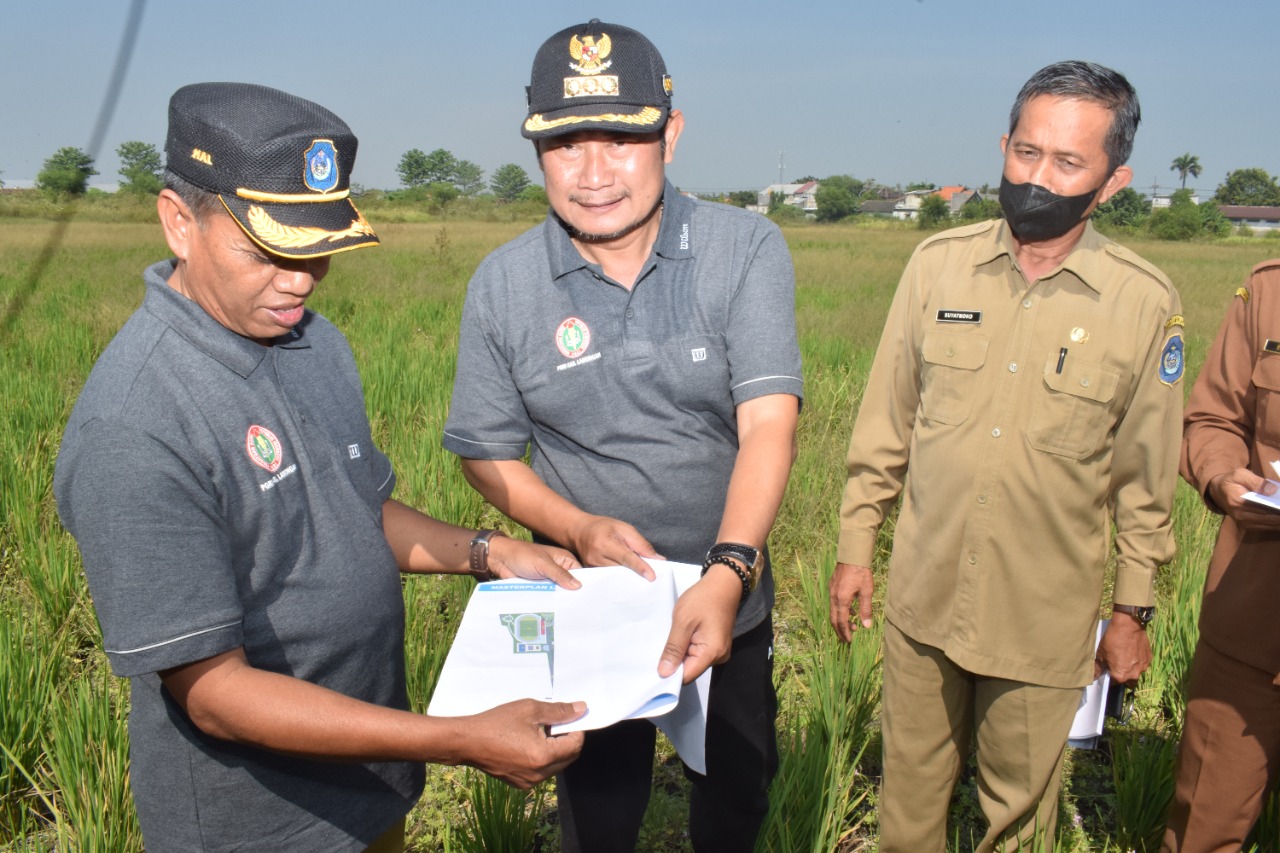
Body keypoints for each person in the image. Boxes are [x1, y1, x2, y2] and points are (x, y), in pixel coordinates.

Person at [53, 82, 586, 853]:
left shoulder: (312, 341)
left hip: (370, 784)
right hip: (260, 823)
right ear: (179, 222)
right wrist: (455, 737)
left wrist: (489, 551)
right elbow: (214, 694)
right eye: (268, 251)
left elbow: (353, 507)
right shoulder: (135, 424)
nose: (300, 282)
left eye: (317, 252)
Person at [441, 19, 802, 852]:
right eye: (566, 145)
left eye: (621, 140)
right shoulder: (504, 285)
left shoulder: (743, 249)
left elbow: (767, 424)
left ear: (669, 134)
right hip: (590, 606)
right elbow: (487, 452)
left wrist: (730, 568)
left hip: (727, 591)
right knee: (599, 813)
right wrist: (576, 527)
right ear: (537, 152)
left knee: (736, 793)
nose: (593, 174)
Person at [828, 61, 1183, 852]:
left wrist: (1132, 609)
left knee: (1018, 818)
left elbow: (1146, 479)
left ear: (1113, 180)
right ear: (1003, 145)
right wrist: (857, 549)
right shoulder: (936, 266)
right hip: (925, 601)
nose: (1037, 177)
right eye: (1025, 153)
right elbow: (885, 425)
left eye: (1067, 163)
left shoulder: (1143, 302)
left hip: (1041, 618)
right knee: (908, 804)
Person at [1163, 259, 1280, 852]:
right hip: (1254, 618)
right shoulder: (1269, 289)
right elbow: (1212, 417)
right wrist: (1220, 476)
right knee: (1203, 826)